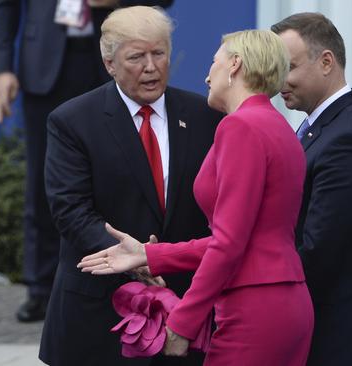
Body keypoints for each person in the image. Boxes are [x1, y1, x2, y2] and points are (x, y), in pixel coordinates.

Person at [79, 29, 315, 365]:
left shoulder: (240, 127)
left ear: (234, 65)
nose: (207, 74)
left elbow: (229, 243)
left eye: (213, 62)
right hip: (284, 300)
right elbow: (243, 237)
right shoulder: (277, 125)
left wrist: (184, 321)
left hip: (253, 307)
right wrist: (149, 253)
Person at [42, 6, 222, 366]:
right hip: (101, 312)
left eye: (159, 54)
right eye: (137, 57)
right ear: (109, 63)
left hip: (185, 308)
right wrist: (135, 257)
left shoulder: (205, 115)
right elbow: (70, 209)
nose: (151, 66)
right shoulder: (73, 121)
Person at [0, 0, 174, 322]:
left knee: (121, 176)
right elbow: (5, 7)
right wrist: (2, 68)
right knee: (42, 183)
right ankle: (41, 287)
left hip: (110, 58)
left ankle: (129, 273)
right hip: (45, 63)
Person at [271, 13, 352, 366]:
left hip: (340, 340)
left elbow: (317, 251)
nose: (280, 81)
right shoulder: (323, 127)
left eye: (288, 67)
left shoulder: (348, 138)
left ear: (326, 61)